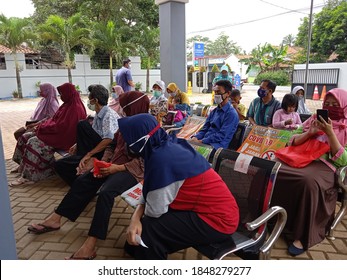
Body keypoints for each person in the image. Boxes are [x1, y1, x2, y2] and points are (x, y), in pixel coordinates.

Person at [27, 91, 150, 260]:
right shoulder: (125, 122)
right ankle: (55, 219)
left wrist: (117, 168)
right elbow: (112, 145)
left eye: (125, 106)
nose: (122, 109)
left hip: (133, 170)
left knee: (106, 193)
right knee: (84, 180)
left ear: (135, 106)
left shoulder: (148, 125)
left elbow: (147, 161)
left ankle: (90, 245)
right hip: (113, 164)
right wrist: (103, 162)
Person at [120, 113, 239, 260]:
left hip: (217, 220)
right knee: (142, 228)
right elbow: (151, 192)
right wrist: (135, 218)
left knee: (150, 230)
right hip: (210, 210)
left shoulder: (162, 160)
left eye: (129, 139)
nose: (126, 143)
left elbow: (155, 210)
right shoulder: (166, 145)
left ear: (142, 140)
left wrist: (135, 219)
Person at [271, 88, 347, 256]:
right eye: (327, 104)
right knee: (272, 169)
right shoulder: (314, 119)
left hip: (327, 165)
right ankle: (268, 218)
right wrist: (311, 132)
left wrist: (330, 133)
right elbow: (292, 140)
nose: (331, 107)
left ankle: (303, 234)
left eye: (336, 105)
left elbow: (343, 160)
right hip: (302, 156)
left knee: (307, 181)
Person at [10, 83, 87, 186]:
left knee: (33, 142)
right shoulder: (67, 104)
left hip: (64, 138)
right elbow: (54, 119)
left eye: (62, 93)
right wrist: (41, 126)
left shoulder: (75, 108)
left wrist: (42, 128)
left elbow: (63, 128)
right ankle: (23, 166)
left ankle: (28, 176)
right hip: (58, 133)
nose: (61, 96)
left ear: (68, 93)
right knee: (24, 137)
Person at [54, 84, 120, 186]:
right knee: (59, 164)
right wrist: (76, 145)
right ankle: (79, 183)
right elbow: (93, 132)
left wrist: (89, 154)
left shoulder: (108, 115)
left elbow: (108, 139)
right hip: (94, 147)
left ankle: (83, 163)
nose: (89, 102)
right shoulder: (98, 114)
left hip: (105, 150)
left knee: (82, 124)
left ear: (95, 101)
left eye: (90, 99)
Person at [191, 80, 239, 151]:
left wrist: (201, 141)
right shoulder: (214, 111)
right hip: (205, 143)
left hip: (216, 147)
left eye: (218, 92)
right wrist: (195, 137)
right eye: (215, 92)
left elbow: (221, 135)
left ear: (228, 93)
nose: (216, 95)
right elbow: (205, 129)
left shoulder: (231, 114)